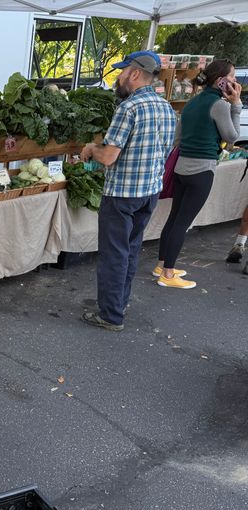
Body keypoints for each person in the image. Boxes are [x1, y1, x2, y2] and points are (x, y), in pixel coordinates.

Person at [80, 51, 176, 332]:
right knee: (131, 251)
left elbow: (109, 157)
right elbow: (166, 150)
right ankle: (118, 304)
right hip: (149, 192)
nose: (119, 77)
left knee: (114, 254)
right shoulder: (166, 108)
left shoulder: (129, 108)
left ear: (134, 73)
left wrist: (91, 149)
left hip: (122, 194)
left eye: (122, 71)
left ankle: (110, 315)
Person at [155, 60, 242, 288]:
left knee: (174, 218)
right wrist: (236, 105)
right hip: (202, 170)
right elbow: (232, 137)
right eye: (232, 77)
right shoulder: (220, 105)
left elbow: (177, 139)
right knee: (182, 223)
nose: (235, 81)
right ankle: (168, 274)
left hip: (181, 167)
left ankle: (161, 264)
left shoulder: (192, 102)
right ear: (220, 80)